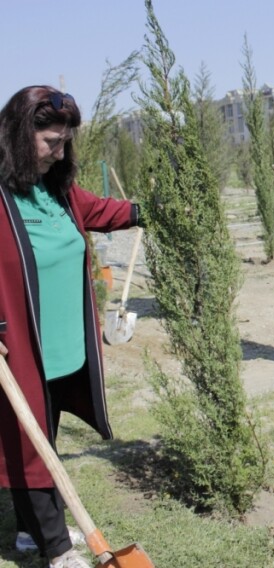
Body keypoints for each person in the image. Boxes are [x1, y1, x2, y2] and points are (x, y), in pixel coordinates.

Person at [0, 86, 142, 568]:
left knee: (44, 435)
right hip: (18, 341)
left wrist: (144, 211)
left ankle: (28, 530)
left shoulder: (56, 190)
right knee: (26, 440)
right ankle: (57, 548)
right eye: (50, 142)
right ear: (21, 136)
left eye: (65, 142)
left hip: (62, 343)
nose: (60, 151)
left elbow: (99, 211)